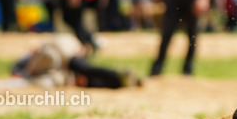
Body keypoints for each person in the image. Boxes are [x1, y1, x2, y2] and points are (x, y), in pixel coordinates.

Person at [11, 33, 140, 89]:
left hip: (68, 56)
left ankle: (118, 76)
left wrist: (26, 73)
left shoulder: (34, 58)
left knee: (87, 71)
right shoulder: (40, 59)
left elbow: (37, 52)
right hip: (68, 59)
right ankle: (121, 82)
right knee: (86, 81)